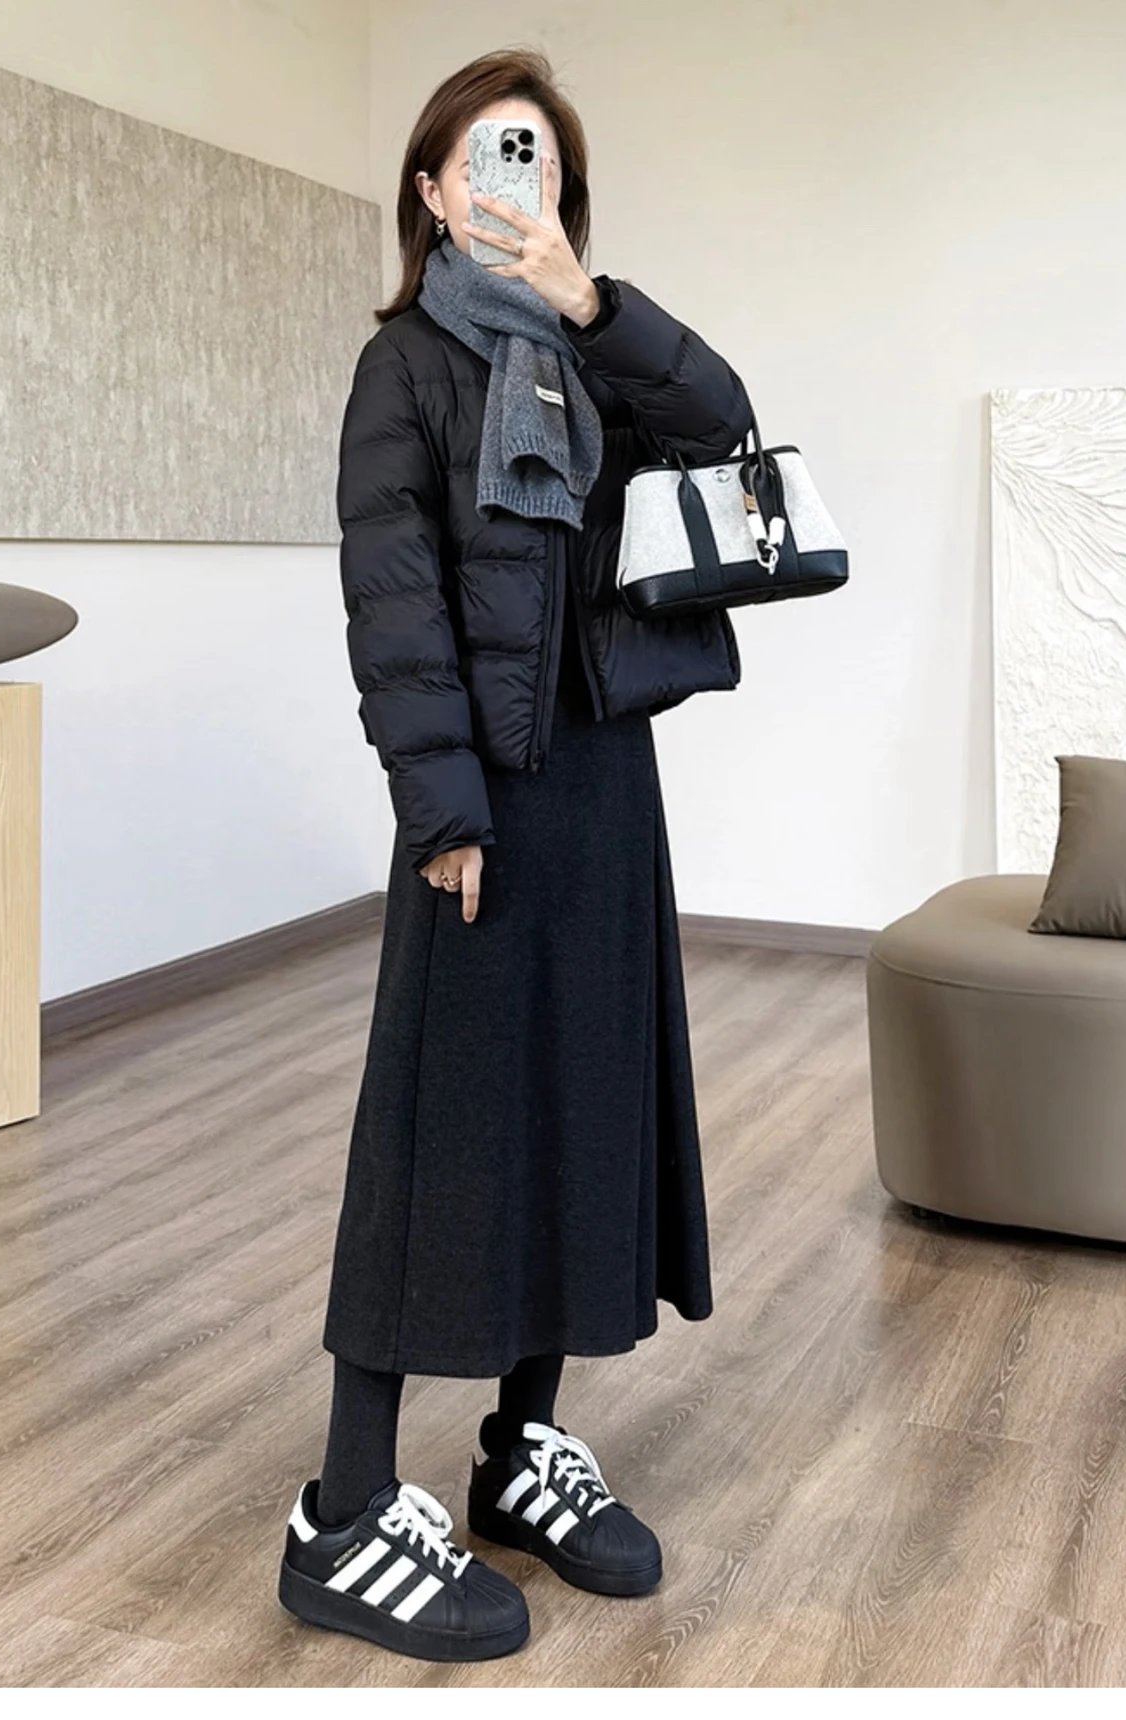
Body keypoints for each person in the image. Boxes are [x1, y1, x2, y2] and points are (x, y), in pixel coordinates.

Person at [277, 47, 751, 1663]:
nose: (512, 181)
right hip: (483, 796)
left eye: (536, 159)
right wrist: (442, 809)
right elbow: (393, 600)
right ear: (430, 191)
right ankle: (344, 1511)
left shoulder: (589, 349)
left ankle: (517, 1450)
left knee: (576, 1108)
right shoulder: (402, 368)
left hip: (605, 778)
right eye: (488, 156)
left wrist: (588, 300)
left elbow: (726, 421)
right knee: (437, 1133)